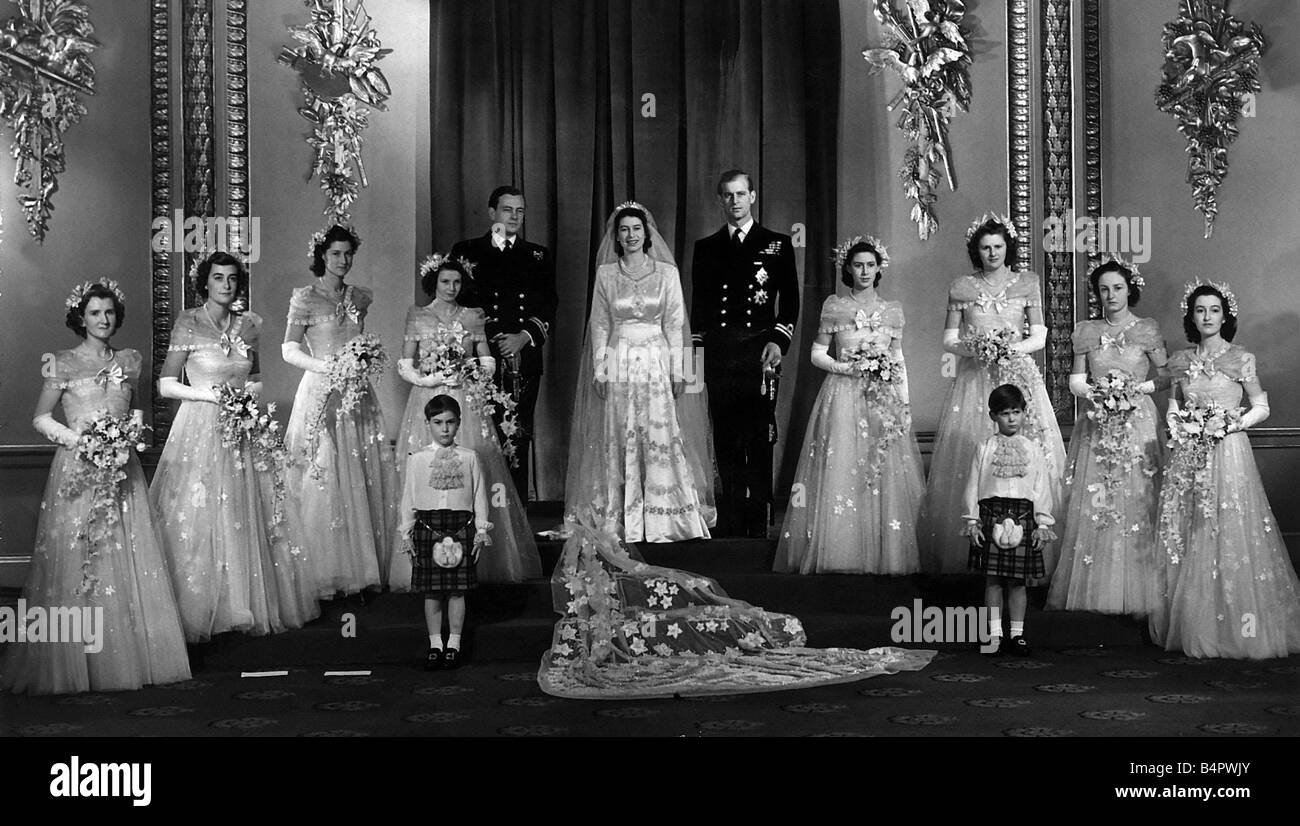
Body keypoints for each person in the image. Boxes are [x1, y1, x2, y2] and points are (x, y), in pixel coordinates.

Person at [1, 280, 191, 694]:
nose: (103, 320)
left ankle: (129, 659)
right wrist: (82, 441)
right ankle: (78, 663)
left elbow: (138, 409)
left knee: (125, 553)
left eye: (108, 312)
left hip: (124, 469)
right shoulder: (62, 362)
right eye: (94, 313)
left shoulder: (131, 359)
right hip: (78, 470)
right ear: (80, 318)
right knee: (81, 556)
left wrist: (132, 436)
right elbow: (41, 418)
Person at [539, 508, 936, 699]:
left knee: (707, 603)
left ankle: (767, 627)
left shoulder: (614, 573)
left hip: (654, 611)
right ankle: (764, 627)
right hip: (629, 618)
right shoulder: (593, 585)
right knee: (697, 606)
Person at [150, 251, 320, 642]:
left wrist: (246, 400)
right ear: (204, 283)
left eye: (231, 278)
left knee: (243, 513)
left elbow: (256, 379)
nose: (226, 285)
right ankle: (204, 605)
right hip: (199, 427)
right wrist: (211, 397)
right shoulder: (188, 322)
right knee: (201, 512)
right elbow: (165, 383)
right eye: (218, 278)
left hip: (242, 429)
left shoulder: (249, 325)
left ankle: (243, 602)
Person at [1149, 282, 1300, 659]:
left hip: (1227, 451)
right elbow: (1172, 405)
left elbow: (1261, 406)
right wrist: (1179, 424)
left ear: (1225, 315)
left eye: (1214, 310)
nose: (1207, 317)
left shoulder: (1240, 359)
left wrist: (1229, 425)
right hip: (1188, 453)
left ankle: (1237, 624)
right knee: (1192, 528)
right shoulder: (1181, 361)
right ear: (1191, 316)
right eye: (1200, 310)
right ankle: (1195, 622)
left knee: (1229, 527)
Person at [563, 202, 716, 542]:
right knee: (619, 433)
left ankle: (664, 515)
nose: (630, 236)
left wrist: (680, 370)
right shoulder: (606, 274)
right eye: (624, 230)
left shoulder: (666, 273)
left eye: (636, 229)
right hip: (619, 360)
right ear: (616, 236)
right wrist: (600, 369)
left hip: (657, 362)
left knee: (658, 433)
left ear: (647, 233)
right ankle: (621, 514)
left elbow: (675, 324)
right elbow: (599, 324)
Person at [923, 213, 1065, 576]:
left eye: (998, 247)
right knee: (976, 454)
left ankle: (1031, 548)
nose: (992, 253)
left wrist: (1009, 349)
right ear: (976, 250)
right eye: (985, 248)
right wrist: (979, 348)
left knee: (1027, 454)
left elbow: (1040, 336)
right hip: (975, 379)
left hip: (1018, 377)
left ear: (1008, 248)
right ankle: (974, 547)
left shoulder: (1027, 282)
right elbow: (949, 340)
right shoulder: (962, 287)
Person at [774, 236, 924, 574]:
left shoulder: (892, 311)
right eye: (858, 265)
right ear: (848, 268)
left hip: (882, 400)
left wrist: (904, 403)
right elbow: (816, 354)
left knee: (880, 471)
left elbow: (898, 358)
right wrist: (847, 368)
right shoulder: (835, 307)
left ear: (879, 268)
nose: (865, 271)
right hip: (843, 396)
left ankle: (883, 554)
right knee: (844, 469)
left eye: (871, 265)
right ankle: (843, 553)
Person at [391, 254, 541, 584]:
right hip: (429, 398)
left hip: (465, 398)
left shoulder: (472, 316)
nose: (451, 287)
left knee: (473, 468)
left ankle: (482, 558)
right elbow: (405, 363)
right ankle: (427, 556)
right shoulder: (418, 315)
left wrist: (469, 370)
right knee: (428, 470)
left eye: (457, 282)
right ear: (434, 282)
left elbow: (487, 360)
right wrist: (427, 379)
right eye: (445, 281)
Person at [282, 224, 398, 596]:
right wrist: (326, 367)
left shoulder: (360, 297)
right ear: (322, 256)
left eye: (348, 254)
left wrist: (363, 359)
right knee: (326, 472)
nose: (343, 260)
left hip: (357, 393)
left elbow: (357, 340)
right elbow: (289, 349)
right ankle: (324, 571)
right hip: (321, 389)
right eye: (336, 254)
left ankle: (364, 566)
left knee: (359, 468)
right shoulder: (305, 298)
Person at [1048, 257, 1166, 616]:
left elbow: (1166, 376)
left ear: (1130, 288)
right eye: (1103, 289)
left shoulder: (1146, 330)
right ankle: (1096, 587)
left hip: (1138, 422)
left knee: (1138, 497)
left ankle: (1142, 590)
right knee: (1099, 501)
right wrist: (1101, 394)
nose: (1110, 295)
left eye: (1117, 287)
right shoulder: (1086, 331)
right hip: (1098, 422)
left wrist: (1134, 390)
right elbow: (1075, 381)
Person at [690, 169, 800, 537]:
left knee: (759, 432)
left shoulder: (777, 244)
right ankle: (733, 510)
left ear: (753, 196)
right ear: (719, 200)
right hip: (721, 352)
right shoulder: (705, 247)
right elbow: (700, 309)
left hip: (760, 351)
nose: (735, 202)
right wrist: (698, 356)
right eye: (727, 195)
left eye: (741, 194)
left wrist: (779, 342)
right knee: (725, 434)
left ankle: (759, 510)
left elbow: (790, 304)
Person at [450, 185, 557, 503]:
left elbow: (549, 303)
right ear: (492, 213)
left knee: (518, 437)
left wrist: (524, 337)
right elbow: (457, 303)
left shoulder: (537, 255)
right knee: (481, 437)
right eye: (508, 209)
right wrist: (487, 339)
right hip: (479, 358)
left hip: (523, 358)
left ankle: (517, 517)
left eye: (520, 211)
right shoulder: (467, 251)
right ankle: (480, 514)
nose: (514, 216)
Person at [395, 396, 492, 670]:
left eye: (450, 422)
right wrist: (406, 533)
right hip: (427, 526)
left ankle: (454, 645)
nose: (445, 429)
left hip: (461, 527)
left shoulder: (469, 457)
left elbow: (479, 496)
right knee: (432, 592)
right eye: (438, 423)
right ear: (428, 424)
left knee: (458, 591)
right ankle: (436, 644)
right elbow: (408, 497)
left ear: (459, 423)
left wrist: (481, 530)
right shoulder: (418, 459)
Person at [962, 384, 1057, 657]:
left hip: (1024, 515)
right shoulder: (984, 448)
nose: (1012, 419)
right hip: (991, 515)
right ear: (993, 416)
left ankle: (1017, 635)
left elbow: (1041, 488)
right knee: (992, 580)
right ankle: (994, 635)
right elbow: (973, 486)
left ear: (1024, 413)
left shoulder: (1033, 448)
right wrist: (972, 521)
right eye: (1005, 413)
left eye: (1016, 412)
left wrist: (1043, 524)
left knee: (1017, 582)